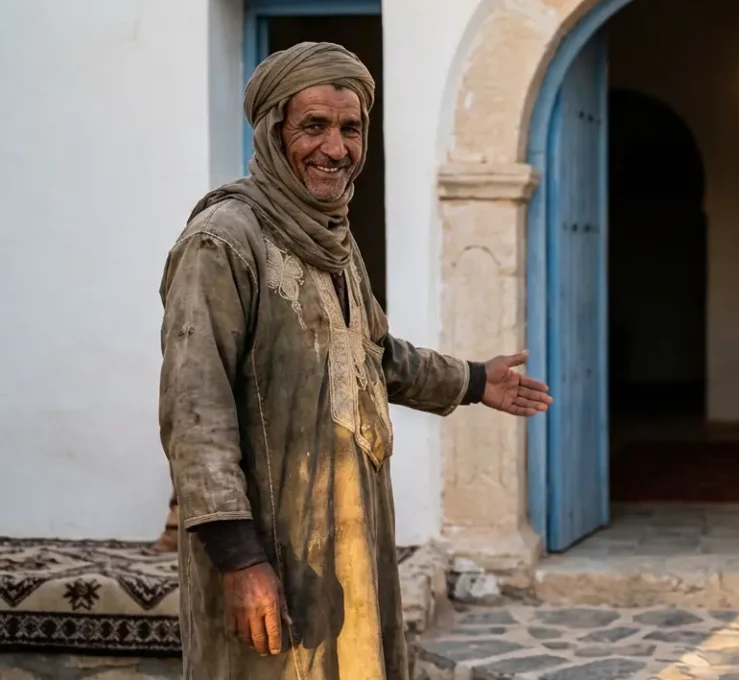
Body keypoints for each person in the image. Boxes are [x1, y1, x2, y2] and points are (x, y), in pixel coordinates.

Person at [158, 42, 552, 680]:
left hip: (350, 536)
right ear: (271, 131)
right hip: (273, 553)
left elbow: (368, 356)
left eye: (351, 128)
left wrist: (476, 381)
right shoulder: (224, 241)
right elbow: (195, 407)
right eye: (313, 126)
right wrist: (239, 561)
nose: (336, 149)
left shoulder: (333, 239)